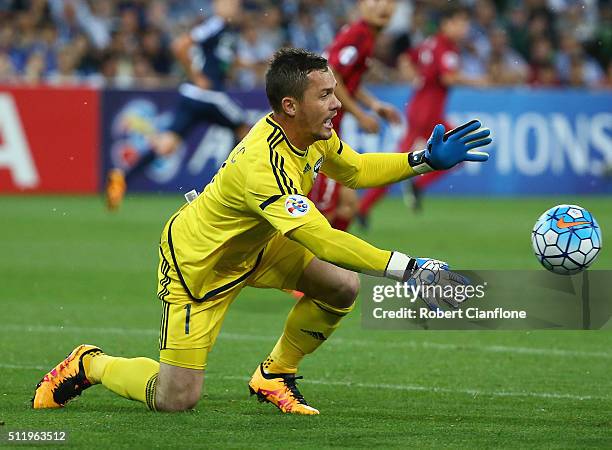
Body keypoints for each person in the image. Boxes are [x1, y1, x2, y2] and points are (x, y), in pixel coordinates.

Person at [33, 48, 491, 415]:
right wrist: (410, 270)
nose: (336, 104)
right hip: (200, 266)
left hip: (259, 243)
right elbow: (321, 238)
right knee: (176, 399)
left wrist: (423, 160)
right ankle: (90, 363)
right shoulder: (263, 165)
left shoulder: (314, 134)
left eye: (335, 92)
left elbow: (354, 170)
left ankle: (274, 373)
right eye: (326, 95)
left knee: (341, 286)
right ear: (290, 105)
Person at [105, 0, 250, 210]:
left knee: (166, 145)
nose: (235, 7)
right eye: (231, 3)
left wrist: (256, 63)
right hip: (208, 95)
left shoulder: (227, 31)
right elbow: (180, 45)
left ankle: (121, 177)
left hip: (193, 96)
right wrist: (196, 75)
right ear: (219, 5)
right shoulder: (216, 24)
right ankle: (228, 190)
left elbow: (227, 60)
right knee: (245, 130)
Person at [358, 5, 488, 217]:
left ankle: (373, 203)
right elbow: (448, 77)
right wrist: (477, 81)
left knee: (457, 150)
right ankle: (366, 206)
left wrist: (414, 75)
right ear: (447, 24)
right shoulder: (445, 47)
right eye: (460, 23)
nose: (464, 28)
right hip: (428, 114)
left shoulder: (430, 43)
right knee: (399, 164)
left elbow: (406, 57)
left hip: (422, 109)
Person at [309, 0, 401, 231]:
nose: (383, 7)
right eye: (376, 0)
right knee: (323, 211)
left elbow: (347, 80)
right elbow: (332, 74)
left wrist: (374, 104)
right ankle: (306, 263)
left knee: (348, 204)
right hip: (318, 131)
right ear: (361, 5)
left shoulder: (364, 35)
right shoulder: (359, 35)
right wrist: (361, 115)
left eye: (390, 2)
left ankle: (329, 261)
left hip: (329, 127)